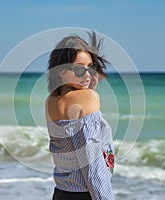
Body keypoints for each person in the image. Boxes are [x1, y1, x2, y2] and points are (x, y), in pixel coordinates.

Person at [45, 31, 115, 200]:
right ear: (61, 70)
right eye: (78, 69)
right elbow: (92, 166)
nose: (87, 75)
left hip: (62, 192)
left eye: (91, 68)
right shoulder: (86, 99)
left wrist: (90, 91)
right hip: (86, 194)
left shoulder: (52, 100)